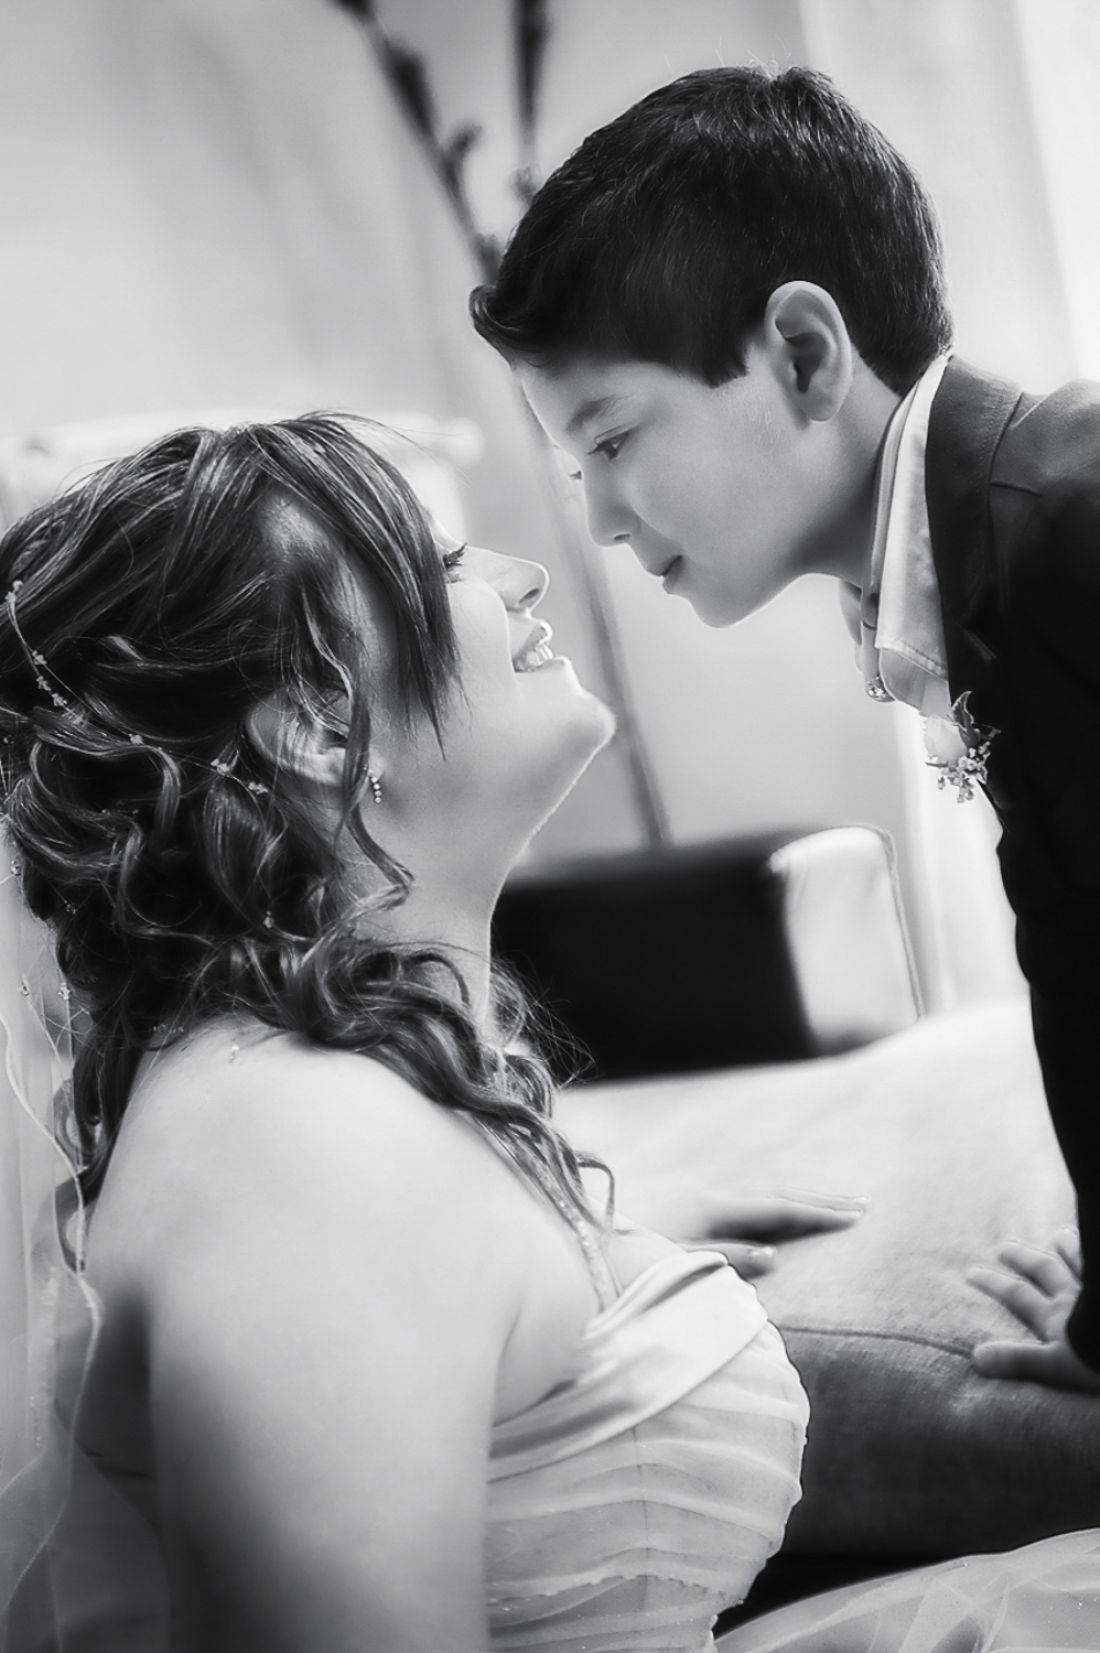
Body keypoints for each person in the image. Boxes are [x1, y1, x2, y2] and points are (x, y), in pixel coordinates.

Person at [0, 413, 822, 1650]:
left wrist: (595, 1247)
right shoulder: (304, 1159)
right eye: (439, 561)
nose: (522, 572)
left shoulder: (322, 1110)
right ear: (317, 724)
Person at [470, 62, 1100, 1396]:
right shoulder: (976, 543)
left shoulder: (1069, 527)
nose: (601, 519)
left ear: (803, 355)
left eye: (612, 442)